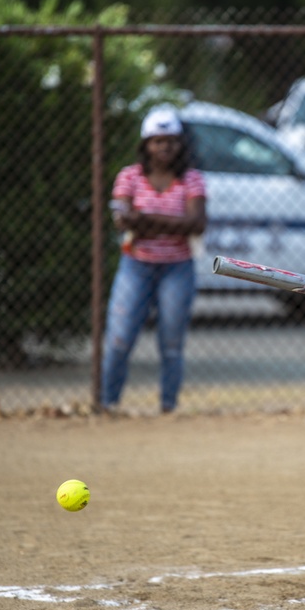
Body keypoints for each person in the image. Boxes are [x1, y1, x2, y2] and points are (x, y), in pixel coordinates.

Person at [100, 106, 207, 414]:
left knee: (171, 343)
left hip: (177, 268)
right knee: (119, 339)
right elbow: (122, 220)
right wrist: (172, 223)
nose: (165, 148)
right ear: (146, 144)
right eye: (158, 141)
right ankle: (108, 404)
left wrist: (144, 219)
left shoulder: (192, 179)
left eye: (171, 141)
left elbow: (197, 223)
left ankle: (168, 406)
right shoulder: (129, 176)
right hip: (136, 266)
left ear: (180, 144)